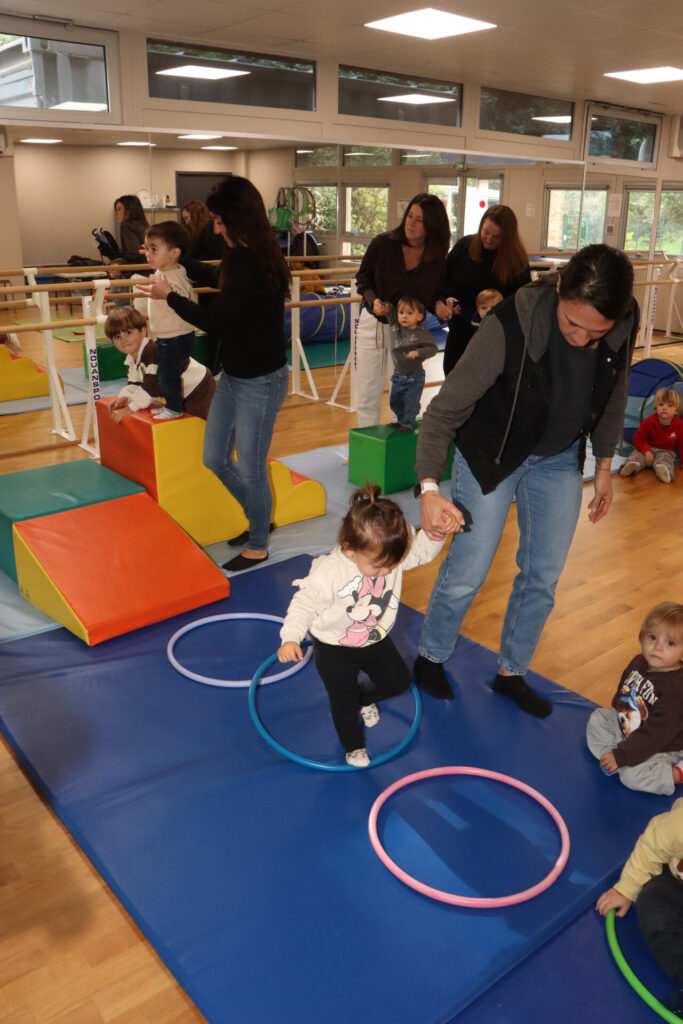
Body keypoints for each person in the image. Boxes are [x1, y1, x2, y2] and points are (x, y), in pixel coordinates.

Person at [413, 244, 640, 716]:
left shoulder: (623, 319)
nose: (581, 339)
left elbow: (614, 389)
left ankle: (511, 672)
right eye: (572, 324)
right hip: (492, 455)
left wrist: (603, 468)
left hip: (558, 459)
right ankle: (430, 657)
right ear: (559, 287)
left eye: (595, 333)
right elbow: (443, 413)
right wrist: (429, 490)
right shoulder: (509, 324)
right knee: (470, 570)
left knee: (543, 576)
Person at [138, 175, 290, 573]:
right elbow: (217, 279)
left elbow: (216, 320)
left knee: (252, 467)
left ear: (238, 220)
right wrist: (181, 262)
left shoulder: (257, 264)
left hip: (262, 379)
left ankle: (259, 542)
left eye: (221, 221)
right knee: (214, 457)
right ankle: (260, 517)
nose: (216, 227)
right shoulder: (240, 254)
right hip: (236, 375)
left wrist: (167, 295)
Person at [277, 485, 445, 766]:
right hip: (333, 648)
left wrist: (437, 534)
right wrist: (291, 637)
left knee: (398, 681)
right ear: (349, 549)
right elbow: (303, 604)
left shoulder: (386, 554)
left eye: (391, 565)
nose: (388, 572)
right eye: (379, 568)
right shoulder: (329, 571)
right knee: (342, 704)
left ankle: (364, 697)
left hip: (374, 639)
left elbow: (421, 553)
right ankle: (353, 746)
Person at [354, 193, 451, 427]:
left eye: (420, 220)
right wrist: (374, 300)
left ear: (432, 226)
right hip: (375, 325)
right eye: (410, 216)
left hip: (410, 331)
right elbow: (363, 278)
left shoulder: (436, 258)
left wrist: (441, 308)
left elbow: (433, 296)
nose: (411, 223)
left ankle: (398, 446)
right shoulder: (383, 244)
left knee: (405, 390)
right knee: (368, 391)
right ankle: (368, 448)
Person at [596, 799, 683, 1019]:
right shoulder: (678, 826)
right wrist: (627, 889)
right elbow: (653, 846)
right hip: (676, 883)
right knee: (653, 903)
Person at [586, 602, 683, 794]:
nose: (658, 647)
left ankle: (677, 773)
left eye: (670, 643)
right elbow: (624, 689)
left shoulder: (676, 689)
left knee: (631, 776)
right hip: (631, 729)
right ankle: (620, 758)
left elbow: (657, 735)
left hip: (662, 744)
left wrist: (622, 755)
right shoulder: (639, 661)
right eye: (652, 637)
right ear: (641, 637)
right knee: (597, 719)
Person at [441, 205, 531, 376]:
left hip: (493, 339)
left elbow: (521, 301)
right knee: (453, 380)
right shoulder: (464, 247)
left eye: (496, 237)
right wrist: (447, 299)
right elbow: (444, 280)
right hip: (460, 334)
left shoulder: (516, 262)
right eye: (486, 232)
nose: (489, 239)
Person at [104, 307, 215, 423]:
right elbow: (135, 384)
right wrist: (126, 397)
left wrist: (129, 409)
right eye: (117, 337)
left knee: (200, 425)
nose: (123, 340)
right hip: (181, 393)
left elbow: (152, 388)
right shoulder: (131, 359)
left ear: (143, 331)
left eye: (128, 333)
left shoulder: (152, 351)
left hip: (199, 387)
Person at [142, 220, 197, 420]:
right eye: (147, 249)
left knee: (168, 374)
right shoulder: (164, 272)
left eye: (154, 249)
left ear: (174, 253)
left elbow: (183, 299)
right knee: (165, 373)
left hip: (176, 337)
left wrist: (167, 291)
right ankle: (171, 404)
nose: (148, 254)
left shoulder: (173, 277)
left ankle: (174, 408)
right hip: (168, 336)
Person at [383, 296, 438, 431]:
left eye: (409, 313)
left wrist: (418, 352)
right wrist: (384, 306)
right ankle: (402, 419)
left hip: (415, 377)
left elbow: (433, 349)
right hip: (398, 375)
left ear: (419, 317)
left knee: (410, 402)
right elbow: (390, 311)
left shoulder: (422, 333)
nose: (404, 317)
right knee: (395, 401)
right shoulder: (396, 326)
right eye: (401, 313)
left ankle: (408, 422)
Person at [620, 387, 683, 483]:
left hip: (665, 451)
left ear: (676, 411)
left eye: (670, 406)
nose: (664, 408)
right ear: (656, 407)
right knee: (637, 455)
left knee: (665, 459)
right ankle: (632, 466)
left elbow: (682, 445)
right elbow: (638, 439)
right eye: (661, 404)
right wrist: (646, 451)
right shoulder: (648, 422)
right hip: (647, 448)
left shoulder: (680, 425)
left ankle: (664, 471)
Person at [113, 195, 149, 263]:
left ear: (129, 211)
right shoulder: (144, 225)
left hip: (136, 271)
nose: (116, 213)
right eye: (115, 210)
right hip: (147, 268)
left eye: (119, 209)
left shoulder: (126, 225)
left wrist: (120, 265)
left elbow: (135, 254)